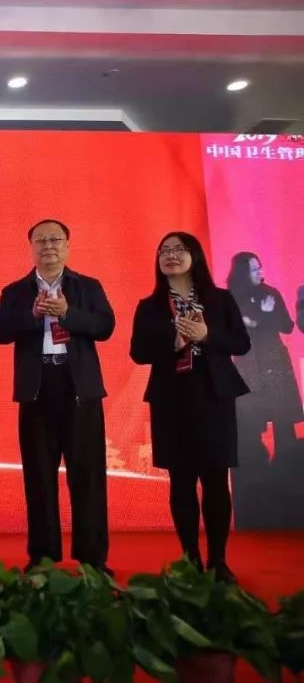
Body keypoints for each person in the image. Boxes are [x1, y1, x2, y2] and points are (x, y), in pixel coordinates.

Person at [0, 219, 114, 574]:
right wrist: (32, 315)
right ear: (31, 248)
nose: (48, 246)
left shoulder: (87, 286)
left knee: (87, 477)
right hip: (37, 389)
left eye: (55, 240)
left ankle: (92, 560)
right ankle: (42, 558)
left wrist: (67, 314)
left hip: (80, 390)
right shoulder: (16, 291)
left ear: (67, 246)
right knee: (39, 477)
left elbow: (105, 326)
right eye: (41, 241)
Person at [129, 232, 249, 583]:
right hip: (171, 398)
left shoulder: (220, 300)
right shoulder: (149, 305)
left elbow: (241, 343)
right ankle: (190, 559)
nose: (170, 255)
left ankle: (218, 561)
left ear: (194, 255)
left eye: (178, 250)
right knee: (181, 481)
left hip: (213, 395)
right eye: (164, 251)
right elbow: (138, 352)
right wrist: (173, 341)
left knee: (215, 479)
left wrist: (206, 335)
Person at [226, 252, 304, 529]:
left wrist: (261, 318)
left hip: (275, 364)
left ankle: (291, 490)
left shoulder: (271, 292)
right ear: (241, 272)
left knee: (284, 425)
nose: (260, 273)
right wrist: (260, 318)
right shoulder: (230, 297)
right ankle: (255, 494)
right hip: (248, 367)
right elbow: (236, 330)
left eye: (260, 268)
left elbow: (288, 325)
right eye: (254, 269)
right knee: (250, 429)